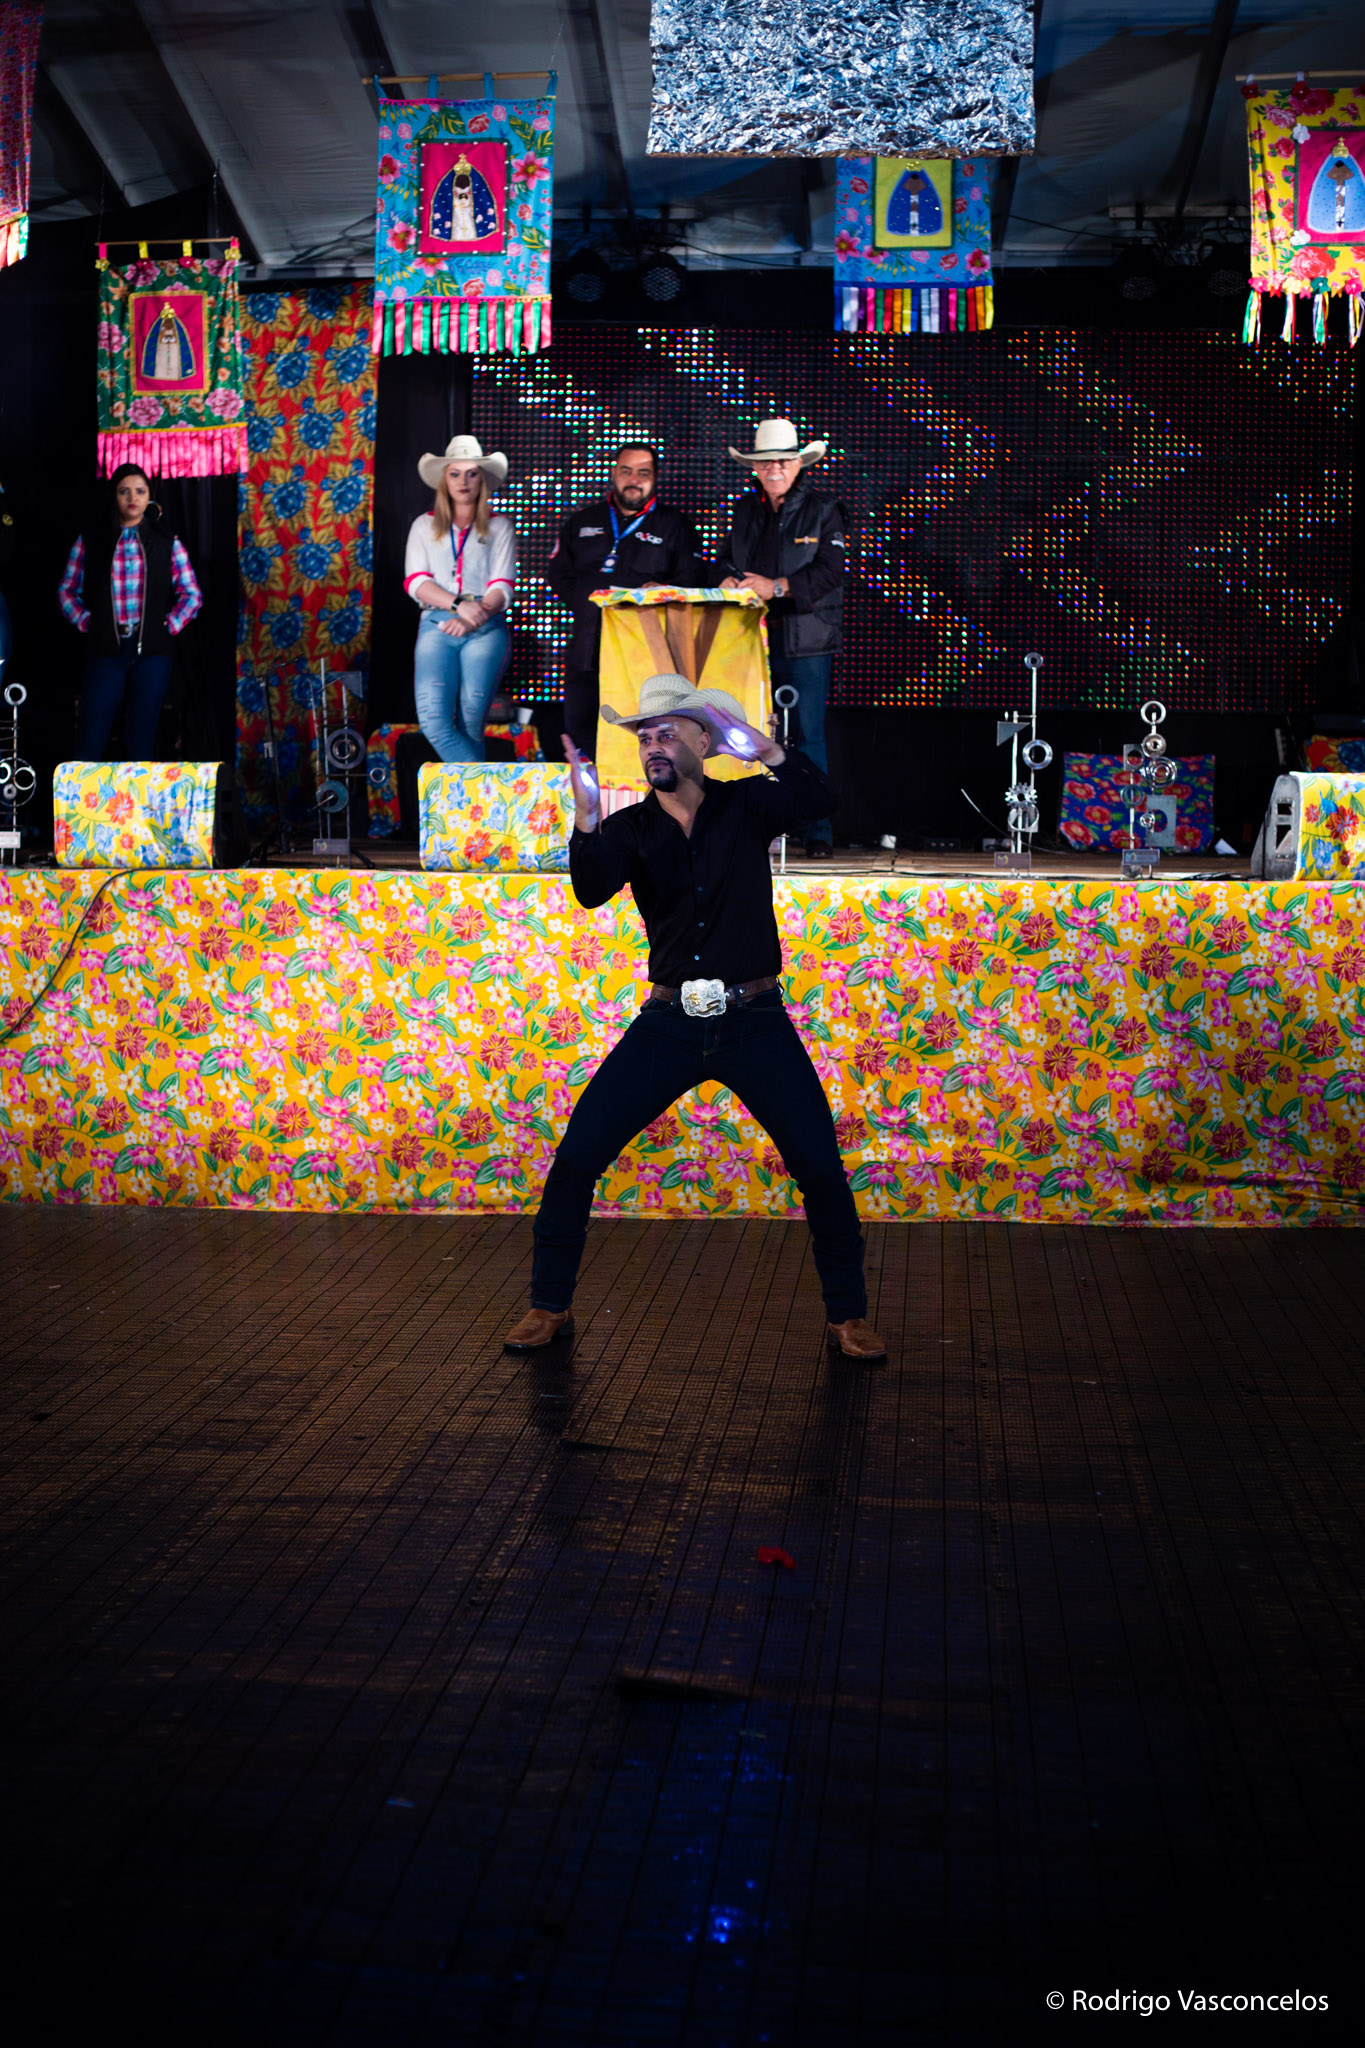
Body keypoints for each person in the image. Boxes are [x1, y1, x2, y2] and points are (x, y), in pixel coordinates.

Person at [502, 672, 888, 1364]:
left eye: (665, 732)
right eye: (643, 736)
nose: (651, 744)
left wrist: (766, 751)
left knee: (820, 1168)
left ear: (703, 743)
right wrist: (584, 820)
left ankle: (849, 1316)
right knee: (576, 1159)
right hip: (669, 1024)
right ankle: (547, 1305)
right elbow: (590, 889)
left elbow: (821, 799)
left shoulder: (746, 804)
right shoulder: (629, 827)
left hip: (752, 1019)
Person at [718, 418, 848, 860]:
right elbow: (724, 560)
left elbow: (831, 571)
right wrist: (726, 579)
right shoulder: (744, 510)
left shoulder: (823, 509)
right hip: (749, 639)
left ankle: (817, 831)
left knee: (807, 735)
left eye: (783, 461)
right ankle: (759, 825)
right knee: (748, 733)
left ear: (798, 464)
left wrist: (776, 587)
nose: (775, 468)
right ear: (755, 467)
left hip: (805, 640)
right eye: (766, 461)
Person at [544, 443, 705, 757]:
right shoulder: (582, 521)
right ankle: (588, 791)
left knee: (641, 737)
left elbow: (693, 581)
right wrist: (588, 602)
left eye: (643, 473)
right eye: (626, 471)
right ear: (613, 473)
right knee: (580, 733)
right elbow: (559, 574)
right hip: (586, 649)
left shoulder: (676, 526)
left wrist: (661, 591)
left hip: (645, 655)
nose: (634, 480)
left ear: (655, 477)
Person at [58, 464, 202, 760]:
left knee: (141, 740)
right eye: (124, 491)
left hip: (152, 654)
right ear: (114, 496)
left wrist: (168, 625)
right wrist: (87, 622)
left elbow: (192, 594)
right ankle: (84, 792)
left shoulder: (166, 541)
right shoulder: (92, 540)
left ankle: (139, 793)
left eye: (139, 491)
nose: (132, 498)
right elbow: (66, 590)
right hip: (106, 651)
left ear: (149, 496)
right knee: (91, 738)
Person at [405, 434, 516, 762]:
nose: (463, 481)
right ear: (445, 479)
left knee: (471, 725)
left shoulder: (500, 527)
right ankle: (485, 785)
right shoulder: (423, 526)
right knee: (434, 721)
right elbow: (415, 581)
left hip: (485, 624)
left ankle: (472, 795)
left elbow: (503, 585)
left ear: (482, 479)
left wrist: (473, 616)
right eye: (455, 474)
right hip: (437, 622)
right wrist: (458, 606)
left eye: (472, 474)